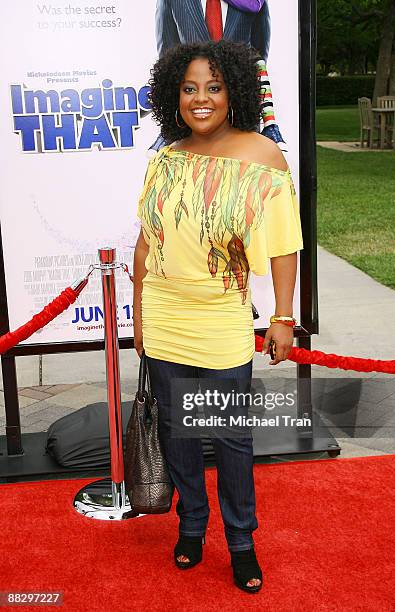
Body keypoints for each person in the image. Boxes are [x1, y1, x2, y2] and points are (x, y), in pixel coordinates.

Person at [133, 39, 303, 593]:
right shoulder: (167, 156)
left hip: (222, 314)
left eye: (213, 87)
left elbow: (282, 244)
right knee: (179, 432)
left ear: (234, 92)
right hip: (165, 313)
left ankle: (241, 542)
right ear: (172, 96)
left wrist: (282, 315)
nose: (200, 99)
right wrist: (140, 314)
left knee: (231, 438)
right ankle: (191, 526)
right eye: (189, 89)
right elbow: (144, 243)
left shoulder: (262, 154)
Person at [150, 0, 286, 152]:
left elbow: (257, 53)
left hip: (241, 126)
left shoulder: (254, 2)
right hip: (190, 135)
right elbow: (169, 58)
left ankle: (270, 128)